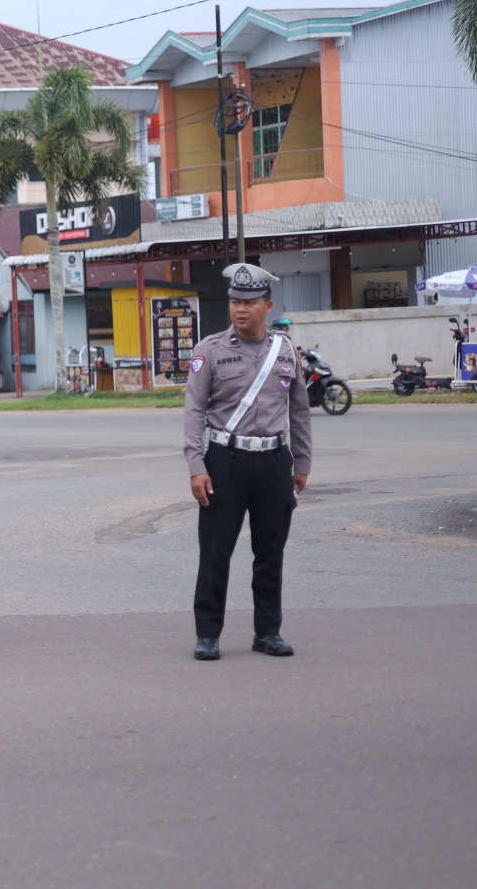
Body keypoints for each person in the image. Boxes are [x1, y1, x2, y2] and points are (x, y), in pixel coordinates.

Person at [183, 263, 313, 661]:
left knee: (270, 551)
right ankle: (208, 634)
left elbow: (300, 411)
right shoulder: (210, 351)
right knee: (215, 551)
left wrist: (302, 462)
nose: (240, 309)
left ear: (267, 305)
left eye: (250, 302)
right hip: (224, 461)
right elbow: (194, 412)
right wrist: (196, 466)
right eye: (235, 302)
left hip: (274, 461)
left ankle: (268, 632)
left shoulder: (286, 350)